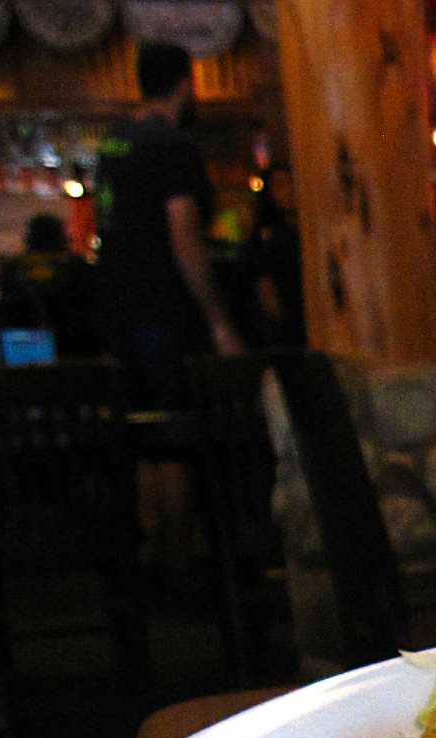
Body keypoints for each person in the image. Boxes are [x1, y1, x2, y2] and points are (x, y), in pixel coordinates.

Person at [94, 40, 243, 567]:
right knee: (176, 436)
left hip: (117, 313)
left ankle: (152, 561)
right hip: (164, 312)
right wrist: (219, 320)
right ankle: (178, 563)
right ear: (186, 81)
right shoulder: (172, 144)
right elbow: (184, 234)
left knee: (143, 439)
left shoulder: (114, 144)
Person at [0, 213, 99, 357]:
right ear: (61, 237)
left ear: (30, 238)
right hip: (76, 345)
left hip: (25, 346)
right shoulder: (77, 266)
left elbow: (8, 309)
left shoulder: (14, 269)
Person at [242, 164, 304, 348]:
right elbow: (266, 288)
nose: (290, 191)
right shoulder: (267, 240)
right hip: (289, 330)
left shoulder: (306, 233)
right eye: (279, 185)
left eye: (292, 182)